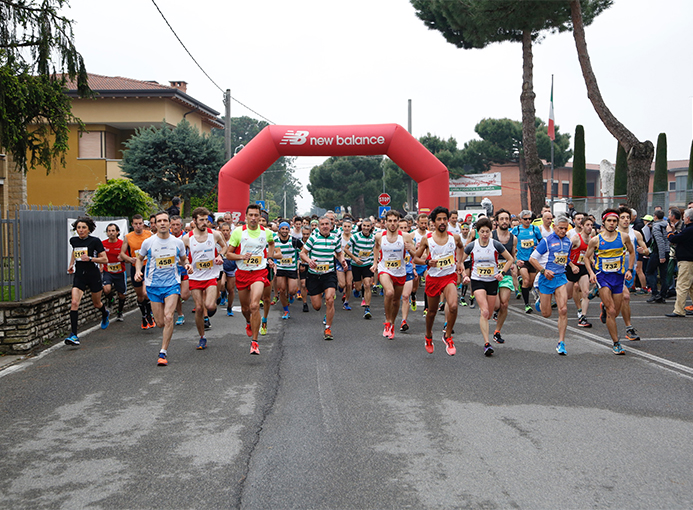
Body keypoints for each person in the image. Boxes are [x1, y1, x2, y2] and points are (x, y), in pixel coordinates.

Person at [135, 212, 187, 366]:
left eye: (165, 220)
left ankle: (163, 352)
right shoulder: (148, 242)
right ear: (155, 224)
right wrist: (138, 271)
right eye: (160, 221)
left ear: (170, 223)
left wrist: (187, 265)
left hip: (172, 284)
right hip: (153, 285)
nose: (163, 223)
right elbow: (139, 259)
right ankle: (164, 329)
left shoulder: (178, 243)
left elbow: (184, 260)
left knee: (169, 316)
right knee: (160, 322)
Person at [414, 206, 465, 356]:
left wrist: (459, 262)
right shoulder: (427, 239)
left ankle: (448, 336)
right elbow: (416, 258)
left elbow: (461, 248)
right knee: (432, 312)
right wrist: (427, 263)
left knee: (454, 306)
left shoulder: (454, 238)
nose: (442, 222)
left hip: (449, 276)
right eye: (439, 219)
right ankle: (428, 335)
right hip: (434, 278)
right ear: (433, 222)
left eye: (444, 219)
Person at [227, 204, 277, 355]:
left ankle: (254, 343)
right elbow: (228, 254)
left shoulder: (266, 232)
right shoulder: (238, 233)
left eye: (256, 215)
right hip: (242, 273)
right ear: (246, 217)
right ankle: (249, 322)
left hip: (259, 273)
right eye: (251, 215)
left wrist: (269, 257)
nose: (254, 218)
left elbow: (272, 243)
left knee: (255, 305)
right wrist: (241, 256)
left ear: (260, 217)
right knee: (245, 308)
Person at [584, 209, 636, 355]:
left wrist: (629, 269)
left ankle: (604, 309)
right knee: (612, 310)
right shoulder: (596, 240)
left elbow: (632, 252)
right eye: (609, 221)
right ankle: (616, 343)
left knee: (616, 311)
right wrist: (591, 273)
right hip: (602, 277)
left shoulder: (624, 237)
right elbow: (587, 258)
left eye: (614, 221)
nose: (612, 223)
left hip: (618, 277)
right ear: (604, 221)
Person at [461, 217, 514, 356]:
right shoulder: (472, 246)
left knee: (491, 312)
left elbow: (510, 259)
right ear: (478, 232)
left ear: (491, 232)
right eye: (482, 232)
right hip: (477, 280)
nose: (485, 234)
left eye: (487, 232)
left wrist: (502, 273)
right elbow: (459, 261)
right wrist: (464, 275)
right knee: (484, 312)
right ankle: (486, 343)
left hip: (492, 280)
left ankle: (492, 316)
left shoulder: (495, 244)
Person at [182, 207, 227, 350]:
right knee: (199, 308)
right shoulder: (187, 238)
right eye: (201, 220)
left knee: (210, 306)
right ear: (194, 221)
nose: (204, 223)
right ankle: (202, 337)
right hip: (195, 277)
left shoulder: (215, 234)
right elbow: (182, 258)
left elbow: (224, 247)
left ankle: (214, 302)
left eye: (206, 220)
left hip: (210, 275)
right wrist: (187, 264)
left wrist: (220, 255)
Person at [530, 215, 574, 355]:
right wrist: (543, 270)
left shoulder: (568, 242)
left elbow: (564, 259)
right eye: (560, 228)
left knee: (563, 310)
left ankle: (561, 342)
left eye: (565, 228)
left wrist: (572, 266)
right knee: (546, 314)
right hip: (546, 279)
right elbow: (532, 259)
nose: (562, 231)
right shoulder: (546, 241)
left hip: (560, 277)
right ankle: (540, 301)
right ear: (554, 227)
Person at [300, 215, 348, 341]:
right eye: (322, 224)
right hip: (314, 275)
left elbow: (339, 253)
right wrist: (309, 261)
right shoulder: (313, 238)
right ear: (319, 226)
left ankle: (328, 328)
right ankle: (324, 312)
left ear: (331, 226)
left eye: (327, 224)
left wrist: (342, 261)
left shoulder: (335, 238)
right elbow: (302, 253)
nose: (325, 226)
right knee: (316, 306)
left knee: (330, 299)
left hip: (329, 273)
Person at [65, 217, 110, 346]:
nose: (81, 230)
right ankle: (73, 335)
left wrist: (90, 258)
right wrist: (71, 264)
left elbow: (105, 259)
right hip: (79, 275)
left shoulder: (95, 241)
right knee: (74, 302)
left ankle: (104, 312)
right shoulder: (73, 240)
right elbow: (75, 252)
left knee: (96, 303)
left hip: (93, 275)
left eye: (84, 227)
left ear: (89, 229)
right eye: (78, 227)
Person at [372, 211, 416, 339]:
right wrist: (375, 263)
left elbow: (415, 254)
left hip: (400, 271)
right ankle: (387, 322)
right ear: (385, 222)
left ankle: (392, 324)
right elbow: (376, 248)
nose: (392, 223)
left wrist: (410, 249)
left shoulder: (406, 237)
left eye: (395, 221)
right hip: (384, 269)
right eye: (389, 221)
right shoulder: (379, 236)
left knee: (396, 301)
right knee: (389, 292)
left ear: (398, 221)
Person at [614, 207, 648, 341]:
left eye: (627, 217)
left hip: (629, 269)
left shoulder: (636, 234)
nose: (625, 220)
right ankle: (629, 328)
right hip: (614, 271)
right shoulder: (612, 233)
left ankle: (606, 308)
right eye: (622, 217)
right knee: (626, 297)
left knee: (622, 299)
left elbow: (646, 250)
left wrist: (643, 251)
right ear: (617, 220)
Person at [120, 214, 154, 329]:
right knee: (140, 296)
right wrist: (129, 259)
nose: (138, 226)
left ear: (143, 224)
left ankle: (150, 314)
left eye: (140, 223)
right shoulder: (128, 237)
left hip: (148, 267)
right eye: (136, 224)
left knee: (146, 294)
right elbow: (122, 254)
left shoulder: (149, 235)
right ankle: (144, 315)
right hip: (135, 268)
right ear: (132, 225)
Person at [490, 209, 517, 344]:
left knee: (504, 304)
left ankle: (497, 331)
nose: (505, 221)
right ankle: (496, 311)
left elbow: (512, 255)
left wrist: (515, 265)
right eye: (502, 219)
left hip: (505, 273)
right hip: (491, 273)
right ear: (496, 222)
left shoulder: (513, 238)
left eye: (507, 219)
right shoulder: (491, 236)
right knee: (495, 306)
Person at [512, 210, 543, 313]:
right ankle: (527, 305)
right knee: (526, 280)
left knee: (530, 283)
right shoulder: (516, 230)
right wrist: (514, 251)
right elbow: (510, 241)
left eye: (530, 218)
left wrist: (537, 247)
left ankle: (522, 284)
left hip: (532, 260)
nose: (528, 220)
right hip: (522, 260)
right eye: (525, 219)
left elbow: (542, 242)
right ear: (520, 220)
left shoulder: (535, 229)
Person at [665, 207, 693, 317]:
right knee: (691, 286)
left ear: (688, 218)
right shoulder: (688, 230)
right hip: (690, 260)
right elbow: (681, 236)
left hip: (686, 261)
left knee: (682, 285)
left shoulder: (689, 229)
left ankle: (679, 310)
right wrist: (675, 232)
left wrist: (669, 233)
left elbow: (674, 239)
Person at [567, 216, 593, 328]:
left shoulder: (592, 239)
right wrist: (572, 266)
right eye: (587, 225)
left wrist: (593, 266)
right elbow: (564, 254)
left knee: (585, 292)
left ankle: (583, 317)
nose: (590, 227)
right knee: (567, 296)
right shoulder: (575, 239)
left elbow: (590, 256)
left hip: (583, 268)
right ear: (582, 226)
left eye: (591, 225)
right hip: (571, 267)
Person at [274, 221, 303, 319]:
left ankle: (291, 296)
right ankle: (286, 310)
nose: (284, 231)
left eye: (286, 229)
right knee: (282, 290)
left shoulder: (294, 240)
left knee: (292, 291)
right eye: (283, 229)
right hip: (281, 268)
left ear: (289, 230)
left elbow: (303, 250)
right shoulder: (275, 241)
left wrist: (301, 261)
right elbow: (269, 251)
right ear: (279, 230)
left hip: (292, 268)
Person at [350, 217, 376, 320]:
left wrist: (375, 262)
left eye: (368, 226)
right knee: (358, 287)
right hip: (356, 265)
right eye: (364, 226)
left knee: (367, 285)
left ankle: (367, 308)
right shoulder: (355, 237)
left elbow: (376, 250)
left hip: (367, 264)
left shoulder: (373, 238)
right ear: (361, 226)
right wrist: (355, 258)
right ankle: (356, 290)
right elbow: (346, 249)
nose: (366, 228)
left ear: (371, 227)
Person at [101, 223, 127, 321]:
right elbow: (100, 256)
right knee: (106, 289)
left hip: (120, 272)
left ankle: (120, 312)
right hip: (108, 271)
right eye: (109, 231)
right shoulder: (103, 244)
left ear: (117, 232)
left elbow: (127, 257)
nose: (111, 233)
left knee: (121, 294)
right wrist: (100, 265)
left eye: (113, 231)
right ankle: (111, 299)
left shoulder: (122, 244)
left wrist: (123, 258)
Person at [169, 215, 190, 326]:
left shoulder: (185, 237)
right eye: (173, 225)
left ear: (181, 225)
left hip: (183, 270)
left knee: (185, 296)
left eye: (177, 224)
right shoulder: (167, 237)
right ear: (170, 225)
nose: (175, 227)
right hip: (172, 272)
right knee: (176, 294)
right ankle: (180, 314)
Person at [646, 209, 670, 304]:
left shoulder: (656, 227)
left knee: (649, 272)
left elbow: (659, 241)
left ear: (655, 217)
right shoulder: (666, 225)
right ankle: (662, 294)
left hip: (658, 253)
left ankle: (655, 293)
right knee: (664, 275)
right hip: (667, 251)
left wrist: (661, 255)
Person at [336, 218, 355, 311]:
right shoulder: (339, 237)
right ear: (342, 227)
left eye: (348, 226)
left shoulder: (354, 237)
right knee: (342, 284)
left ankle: (346, 302)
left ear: (351, 228)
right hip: (340, 261)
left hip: (351, 261)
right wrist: (340, 258)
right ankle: (340, 287)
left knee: (349, 283)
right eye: (345, 226)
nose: (347, 228)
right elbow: (335, 251)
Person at [219, 222, 237, 316]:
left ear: (230, 231)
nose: (225, 232)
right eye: (223, 230)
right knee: (221, 284)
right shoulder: (217, 240)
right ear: (220, 231)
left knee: (231, 289)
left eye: (227, 230)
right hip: (221, 266)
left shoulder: (233, 240)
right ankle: (222, 293)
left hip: (231, 267)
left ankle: (229, 307)